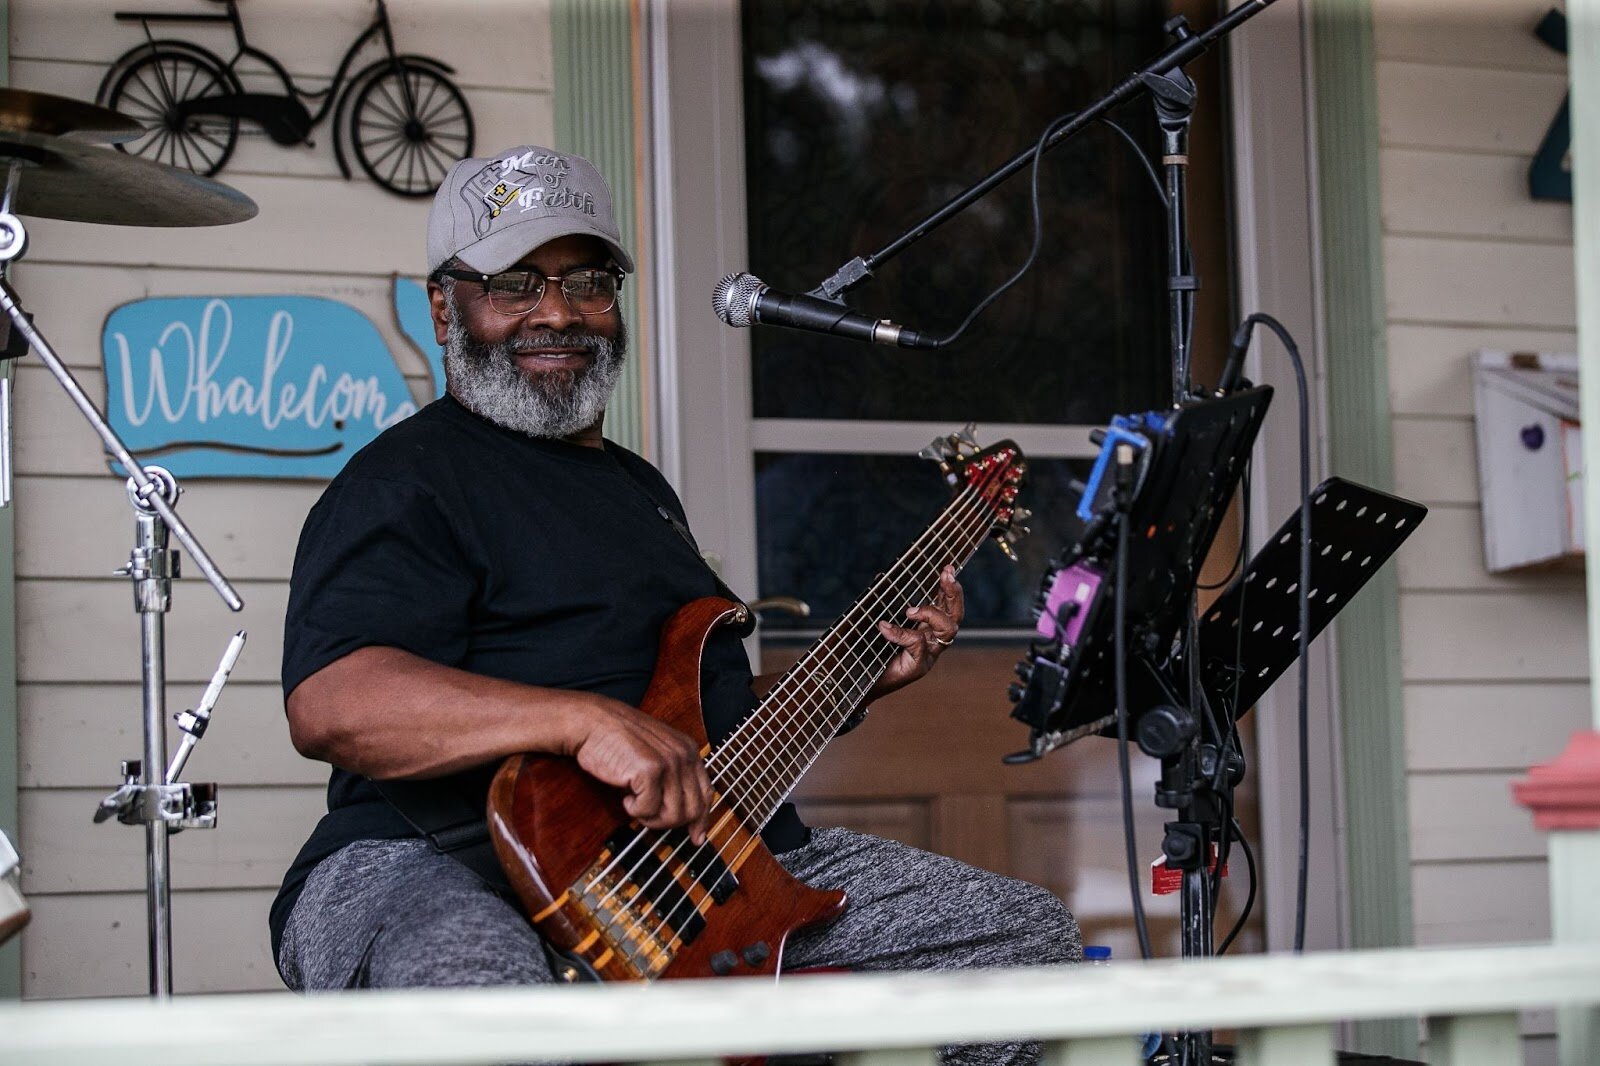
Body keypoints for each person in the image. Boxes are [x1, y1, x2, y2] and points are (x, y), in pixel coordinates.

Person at [271, 144, 1079, 1060]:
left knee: (1025, 947)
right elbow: (335, 701)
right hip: (435, 858)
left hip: (689, 871)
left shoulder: (641, 490)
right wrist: (579, 723)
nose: (558, 313)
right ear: (443, 305)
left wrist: (858, 680)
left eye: (586, 280)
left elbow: (689, 740)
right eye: (514, 284)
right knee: (482, 984)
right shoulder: (404, 482)